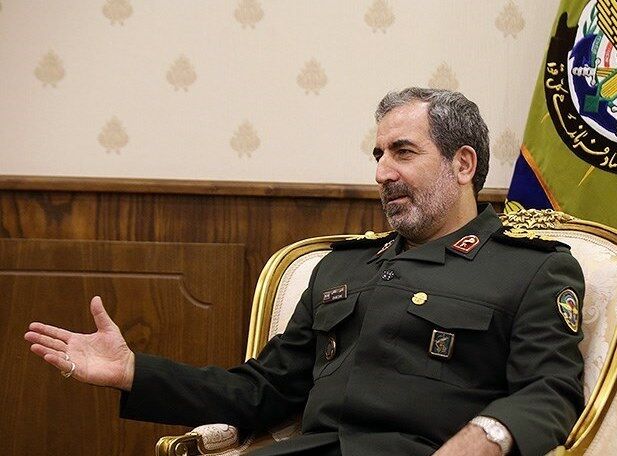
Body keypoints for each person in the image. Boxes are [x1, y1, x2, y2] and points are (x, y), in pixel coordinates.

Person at [25, 88, 585, 456]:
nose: (382, 173)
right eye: (378, 155)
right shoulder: (342, 267)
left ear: (462, 164)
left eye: (403, 152)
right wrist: (133, 372)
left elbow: (552, 390)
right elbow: (260, 391)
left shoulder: (532, 269)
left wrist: (487, 436)